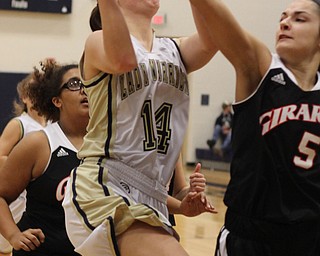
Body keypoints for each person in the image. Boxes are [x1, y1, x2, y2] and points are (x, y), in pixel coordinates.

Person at [62, 0, 219, 255]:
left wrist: (183, 200)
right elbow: (123, 59)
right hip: (106, 184)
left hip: (154, 196)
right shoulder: (97, 42)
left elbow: (214, 36)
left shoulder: (174, 48)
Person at [189, 0, 320, 255]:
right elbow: (216, 15)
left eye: (299, 19)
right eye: (283, 17)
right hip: (251, 237)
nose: (285, 22)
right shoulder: (262, 67)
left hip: (310, 238)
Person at [0, 59, 89, 256]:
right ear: (57, 100)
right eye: (74, 84)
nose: (84, 89)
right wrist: (13, 235)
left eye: (88, 82)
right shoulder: (39, 143)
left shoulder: (109, 143)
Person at [0, 71, 47, 256]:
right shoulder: (20, 124)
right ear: (24, 97)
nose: (38, 94)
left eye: (41, 90)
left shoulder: (54, 125)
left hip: (35, 198)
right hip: (16, 195)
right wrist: (24, 167)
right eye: (33, 91)